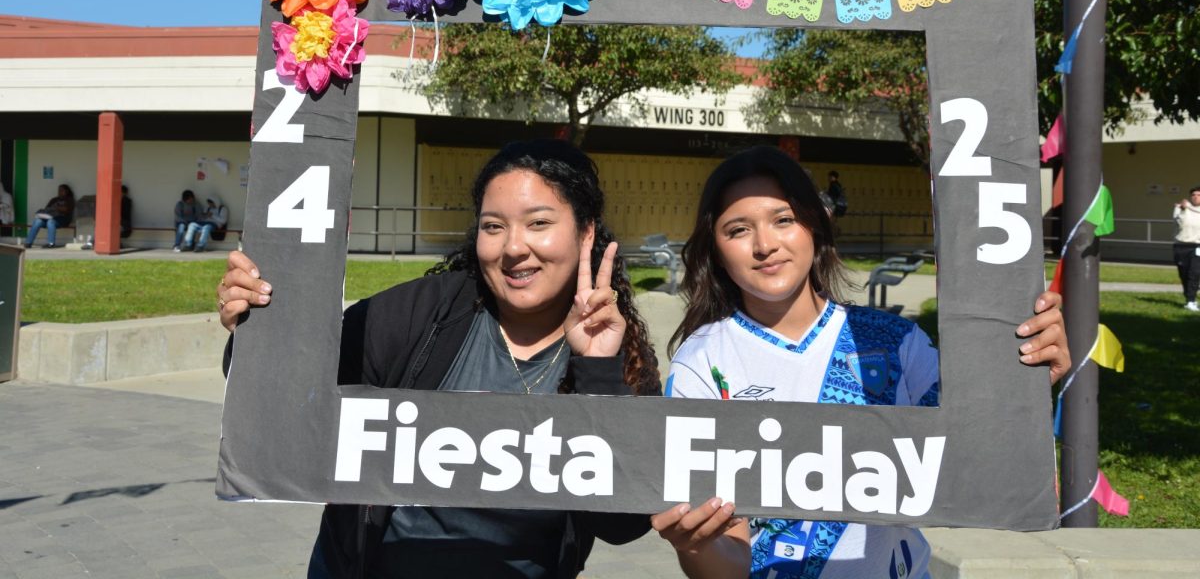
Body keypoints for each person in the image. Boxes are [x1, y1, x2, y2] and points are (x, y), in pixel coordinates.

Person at [216, 140, 660, 577]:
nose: (513, 248)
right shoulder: (417, 316)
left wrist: (597, 370)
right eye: (493, 226)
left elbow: (623, 525)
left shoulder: (621, 354)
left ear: (585, 232)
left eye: (538, 222)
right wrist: (258, 327)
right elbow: (288, 401)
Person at [649, 146, 1069, 579]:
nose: (765, 245)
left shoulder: (896, 342)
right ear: (715, 250)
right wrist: (695, 548)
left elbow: (979, 459)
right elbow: (728, 562)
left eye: (784, 220)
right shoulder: (702, 364)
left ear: (816, 224)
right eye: (738, 230)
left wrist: (1026, 383)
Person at [1173, 186, 1200, 312]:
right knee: (1184, 274)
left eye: (1199, 195)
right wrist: (1184, 209)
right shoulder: (1180, 208)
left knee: (1194, 273)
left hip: (1198, 246)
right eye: (1194, 195)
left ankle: (1191, 301)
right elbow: (1179, 222)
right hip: (1181, 246)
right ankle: (1188, 297)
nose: (1196, 197)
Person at [24, 184, 75, 249]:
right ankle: (28, 242)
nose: (59, 192)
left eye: (62, 190)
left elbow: (66, 209)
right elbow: (46, 209)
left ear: (67, 191)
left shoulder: (69, 199)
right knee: (38, 221)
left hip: (62, 219)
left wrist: (56, 208)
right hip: (50, 217)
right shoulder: (54, 200)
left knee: (51, 222)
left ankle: (51, 243)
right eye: (59, 190)